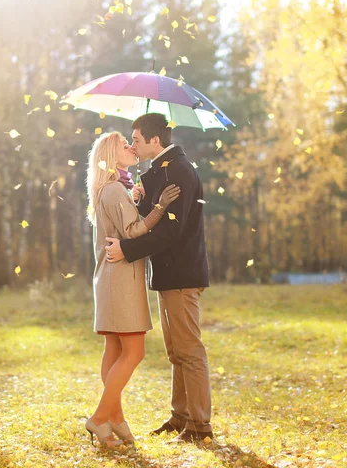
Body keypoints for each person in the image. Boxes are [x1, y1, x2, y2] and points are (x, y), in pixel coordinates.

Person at [105, 113, 213, 443]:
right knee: (175, 350)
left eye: (136, 139)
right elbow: (155, 213)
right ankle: (180, 416)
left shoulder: (179, 171)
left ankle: (199, 425)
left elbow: (170, 231)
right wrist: (142, 194)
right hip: (168, 275)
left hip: (181, 272)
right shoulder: (160, 172)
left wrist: (128, 249)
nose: (133, 145)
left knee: (189, 350)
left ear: (155, 141)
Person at [84, 131, 181, 448]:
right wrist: (159, 206)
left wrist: (136, 201)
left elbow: (123, 224)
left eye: (132, 141)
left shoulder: (112, 189)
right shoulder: (113, 190)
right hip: (120, 280)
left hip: (112, 279)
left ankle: (116, 419)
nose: (131, 147)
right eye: (125, 144)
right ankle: (99, 418)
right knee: (134, 351)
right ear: (112, 155)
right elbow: (134, 230)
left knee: (114, 352)